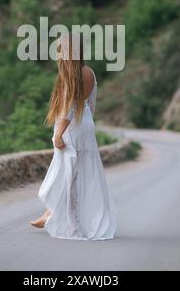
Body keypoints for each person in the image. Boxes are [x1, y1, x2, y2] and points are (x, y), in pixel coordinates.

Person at [30, 33, 117, 240]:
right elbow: (91, 104)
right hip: (85, 125)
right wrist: (87, 124)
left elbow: (68, 108)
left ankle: (62, 218)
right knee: (79, 174)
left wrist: (59, 133)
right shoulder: (89, 72)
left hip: (72, 127)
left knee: (67, 174)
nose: (58, 54)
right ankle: (52, 213)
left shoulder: (71, 75)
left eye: (60, 49)